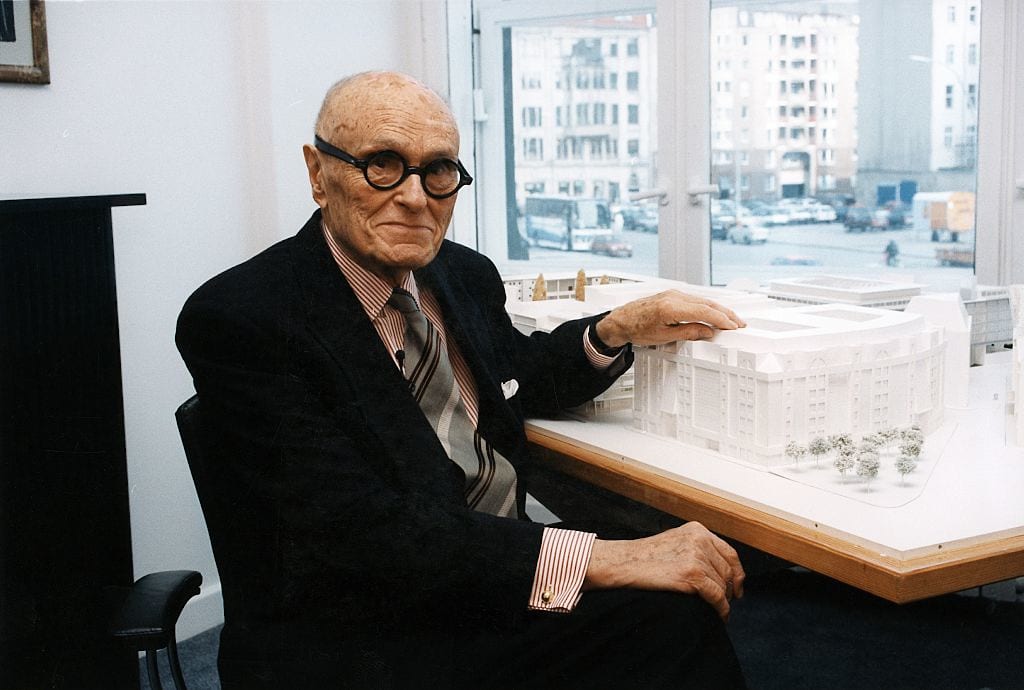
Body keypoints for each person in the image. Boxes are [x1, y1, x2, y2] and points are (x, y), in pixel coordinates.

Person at [176, 70, 749, 689]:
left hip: (480, 566)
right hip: (371, 629)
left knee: (668, 585)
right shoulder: (243, 317)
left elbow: (519, 375)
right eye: (383, 165)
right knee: (669, 614)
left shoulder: (460, 274)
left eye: (438, 171)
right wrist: (605, 558)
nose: (417, 197)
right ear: (319, 174)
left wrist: (616, 328)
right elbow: (360, 530)